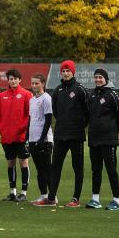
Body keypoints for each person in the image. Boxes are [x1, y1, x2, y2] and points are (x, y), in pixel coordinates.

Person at [45, 60, 89, 207]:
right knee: (55, 166)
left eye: (68, 71)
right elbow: (56, 111)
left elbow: (87, 111)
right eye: (63, 71)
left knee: (77, 167)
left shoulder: (81, 89)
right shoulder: (57, 90)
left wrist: (79, 125)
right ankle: (51, 198)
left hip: (76, 135)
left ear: (73, 72)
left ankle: (76, 198)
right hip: (60, 134)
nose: (65, 73)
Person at [84, 69, 119, 210]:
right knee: (96, 169)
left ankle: (116, 201)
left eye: (100, 77)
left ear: (106, 79)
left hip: (109, 139)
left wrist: (113, 130)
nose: (98, 79)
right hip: (94, 139)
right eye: (96, 77)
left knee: (111, 169)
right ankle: (95, 199)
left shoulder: (113, 94)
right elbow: (88, 115)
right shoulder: (92, 94)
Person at [0, 69, 32, 201]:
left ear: (19, 80)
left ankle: (24, 193)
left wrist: (22, 128)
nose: (13, 81)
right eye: (11, 79)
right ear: (8, 80)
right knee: (10, 163)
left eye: (15, 78)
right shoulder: (2, 96)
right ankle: (12, 192)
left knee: (23, 163)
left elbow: (29, 115)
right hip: (7, 136)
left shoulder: (26, 94)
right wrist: (0, 129)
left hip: (21, 136)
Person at [28, 74, 54, 205]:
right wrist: (28, 139)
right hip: (33, 139)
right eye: (32, 83)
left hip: (44, 140)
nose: (34, 86)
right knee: (39, 170)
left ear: (43, 84)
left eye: (36, 83)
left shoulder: (47, 98)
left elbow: (48, 120)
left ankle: (52, 197)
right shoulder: (32, 100)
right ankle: (44, 195)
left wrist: (42, 139)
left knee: (47, 169)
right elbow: (30, 120)